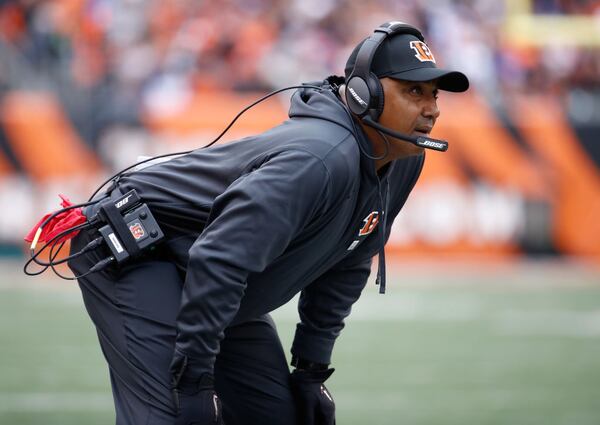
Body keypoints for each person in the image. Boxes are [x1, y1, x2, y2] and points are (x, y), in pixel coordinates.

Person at [66, 21, 469, 425]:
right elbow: (220, 258)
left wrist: (311, 370)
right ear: (367, 96)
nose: (431, 108)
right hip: (142, 247)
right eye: (413, 91)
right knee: (173, 417)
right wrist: (193, 381)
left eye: (434, 94)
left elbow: (349, 260)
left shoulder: (402, 159)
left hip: (207, 272)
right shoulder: (320, 161)